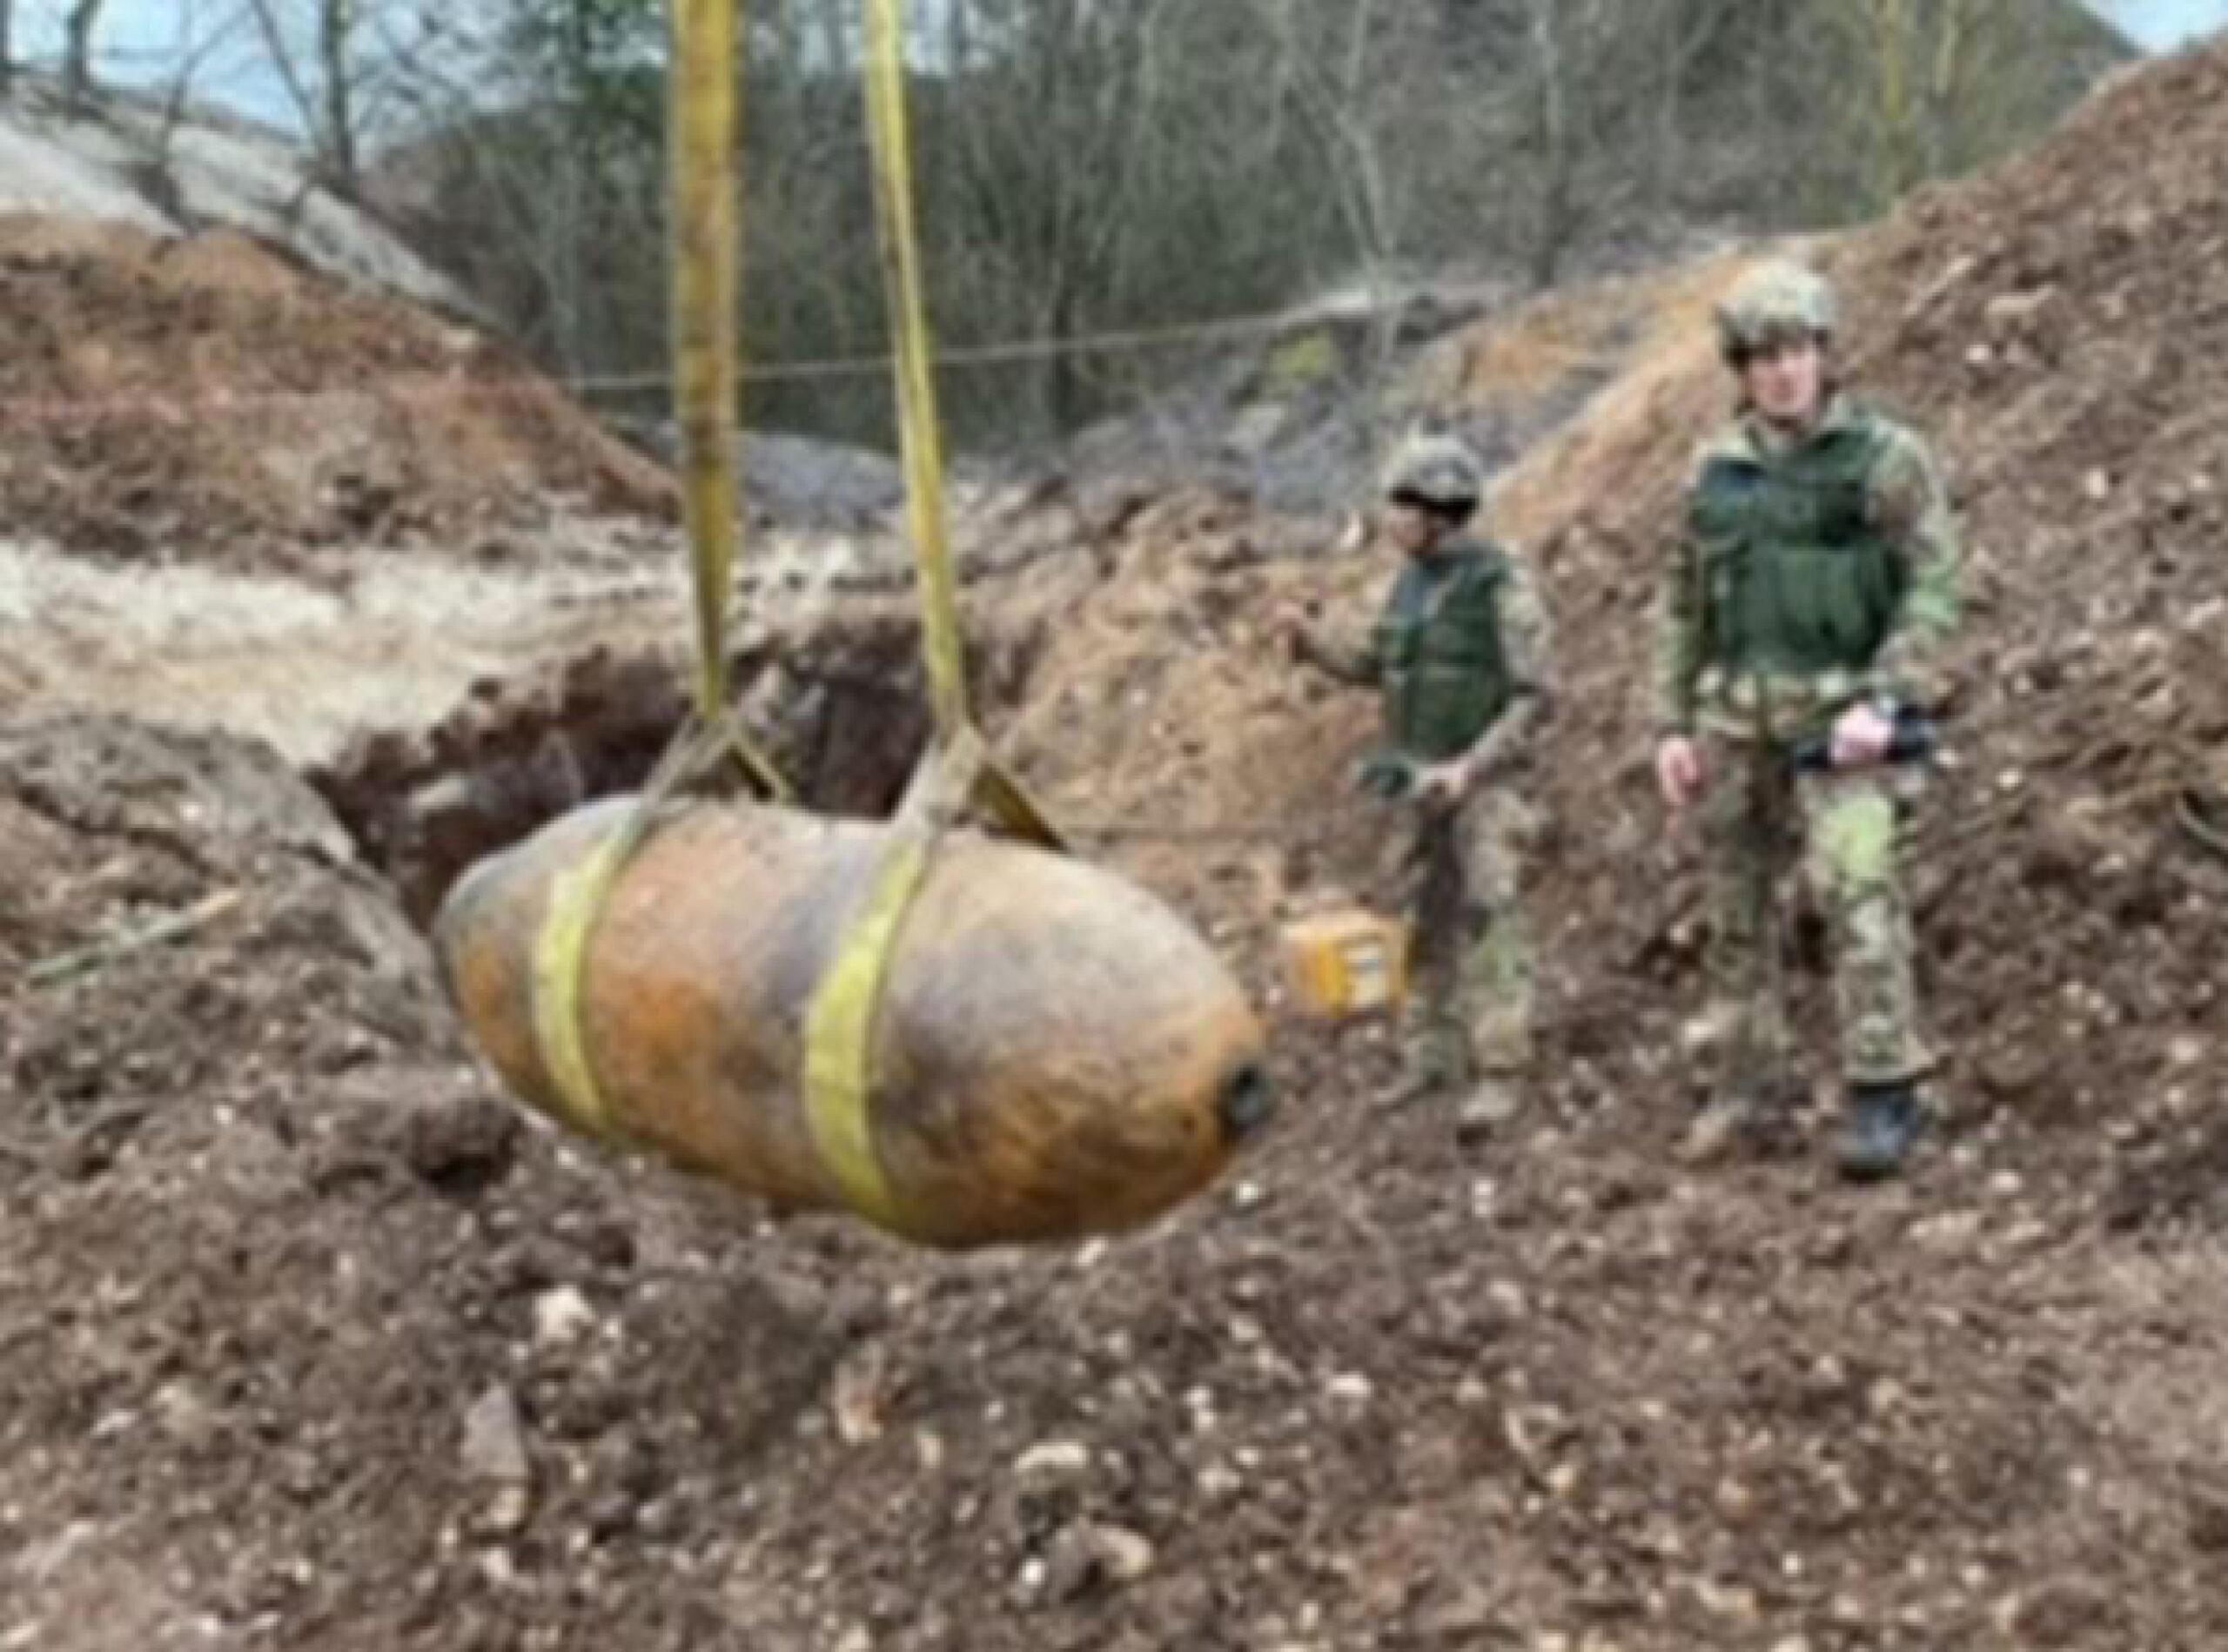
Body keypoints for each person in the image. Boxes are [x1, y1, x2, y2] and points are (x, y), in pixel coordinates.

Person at [1653, 258, 1961, 1180]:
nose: (1782, 371)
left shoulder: (1883, 461)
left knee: (1856, 887)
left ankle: (1882, 1086)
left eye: (1796, 351)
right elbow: (1679, 604)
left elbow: (1935, 585)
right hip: (1736, 720)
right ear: (1738, 369)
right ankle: (1750, 1084)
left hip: (1842, 717)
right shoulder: (1713, 471)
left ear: (1825, 355)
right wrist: (1668, 723)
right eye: (1761, 356)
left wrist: (1886, 697)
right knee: (1734, 908)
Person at [1281, 433, 1553, 1111]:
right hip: (1417, 782)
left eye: (1403, 506)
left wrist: (1472, 767)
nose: (1392, 520)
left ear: (1439, 509)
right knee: (1417, 921)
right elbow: (1379, 662)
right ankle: (1431, 1056)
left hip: (1487, 787)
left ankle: (1502, 1069)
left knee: (1489, 915)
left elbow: (1537, 695)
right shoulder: (1409, 585)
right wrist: (1310, 644)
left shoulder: (1501, 584)